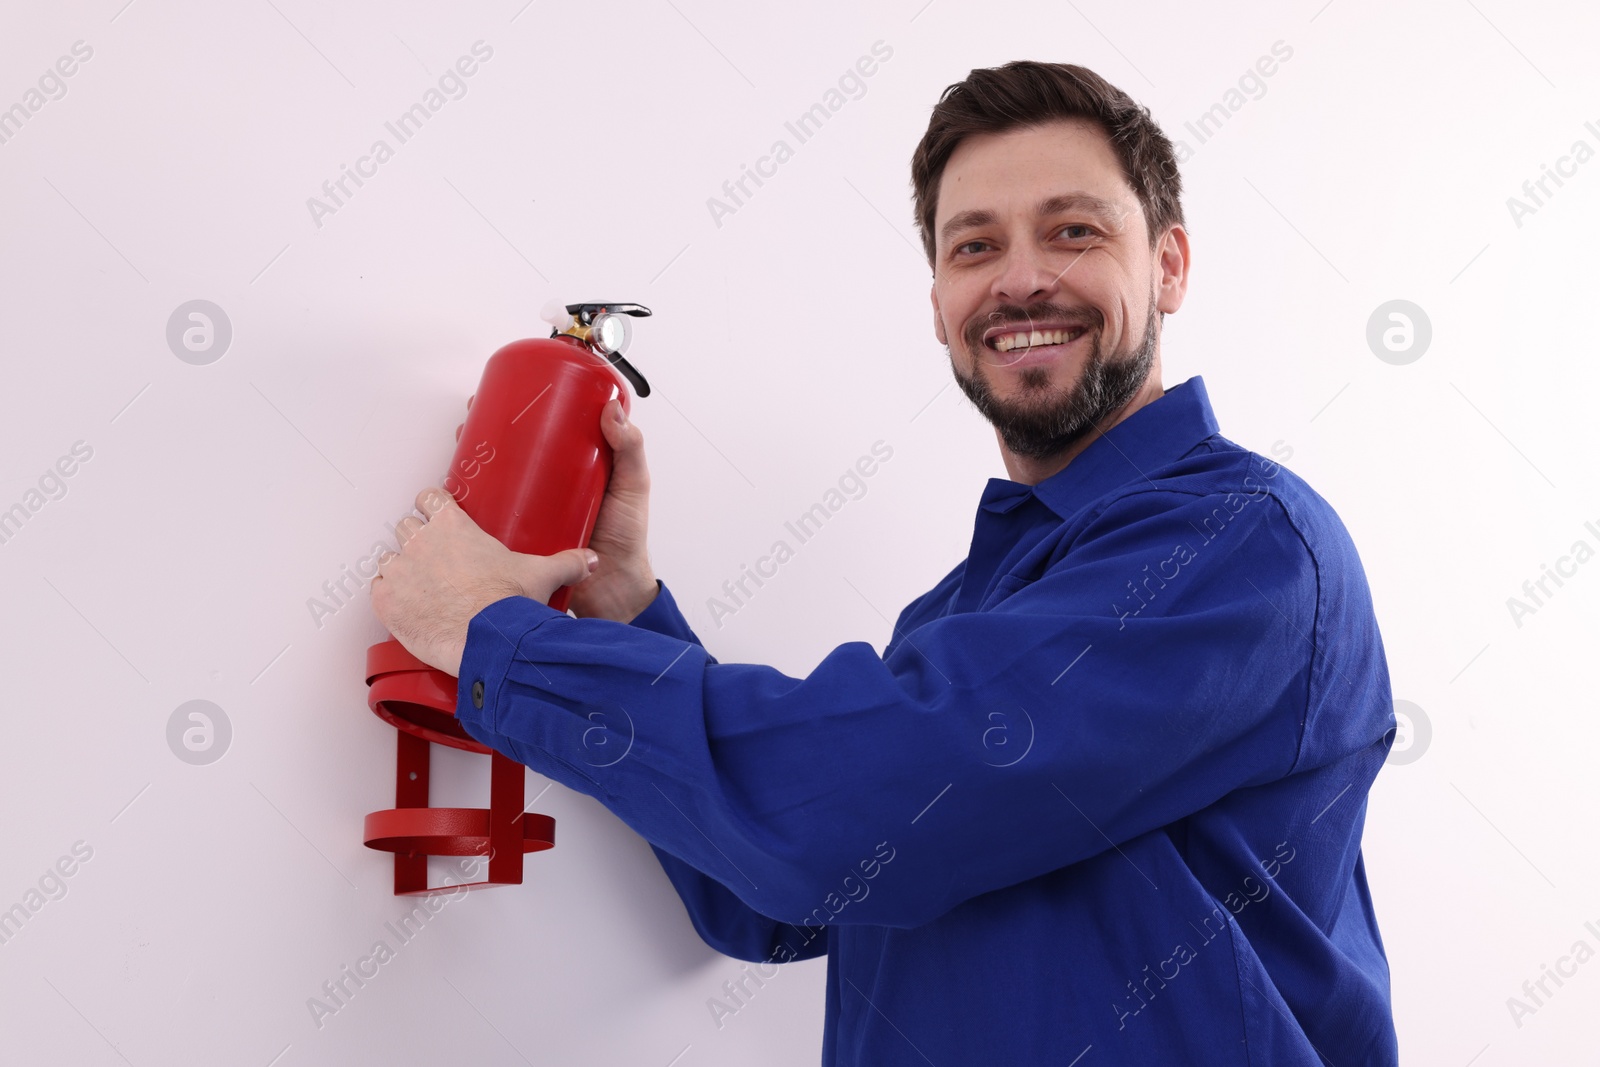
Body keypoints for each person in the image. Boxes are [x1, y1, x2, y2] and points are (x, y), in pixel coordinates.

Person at [371, 60, 1399, 1066]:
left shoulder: (1240, 545)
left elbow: (848, 809)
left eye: (1072, 230)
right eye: (973, 245)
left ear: (1168, 264)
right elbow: (780, 892)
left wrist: (491, 634)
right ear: (940, 300)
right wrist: (623, 607)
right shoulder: (968, 609)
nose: (1021, 277)